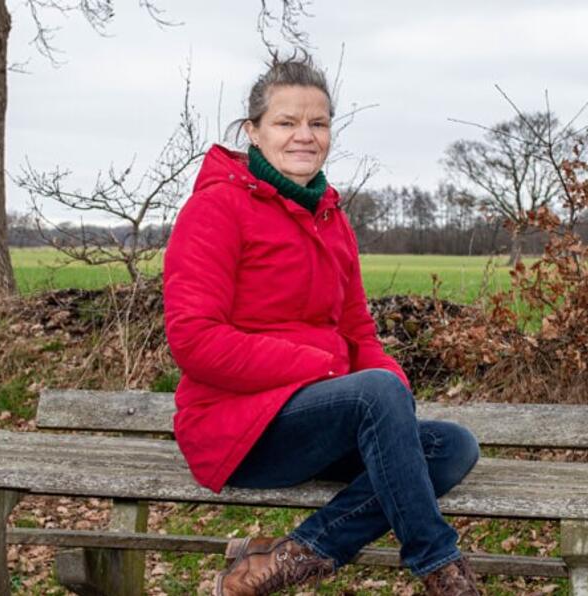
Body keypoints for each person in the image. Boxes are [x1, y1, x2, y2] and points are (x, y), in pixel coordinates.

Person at [163, 52, 481, 596]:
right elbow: (194, 340)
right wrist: (320, 370)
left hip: (321, 418)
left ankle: (293, 556)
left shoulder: (329, 217)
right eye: (286, 122)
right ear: (253, 132)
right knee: (373, 394)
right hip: (240, 429)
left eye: (318, 123)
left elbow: (358, 331)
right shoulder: (216, 210)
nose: (304, 135)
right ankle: (441, 571)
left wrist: (393, 395)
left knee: (452, 447)